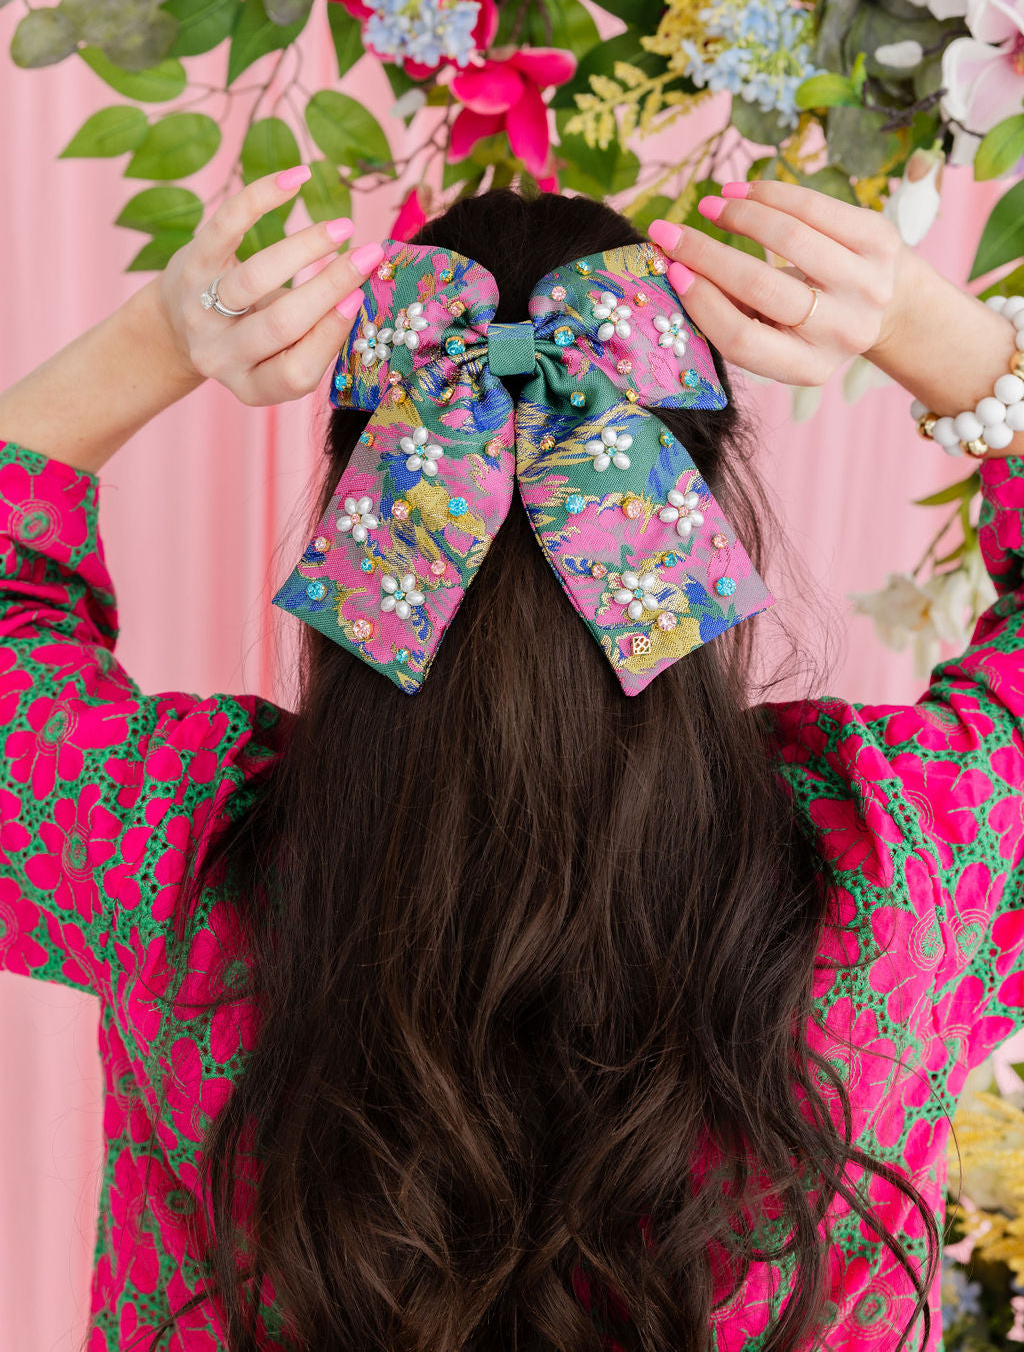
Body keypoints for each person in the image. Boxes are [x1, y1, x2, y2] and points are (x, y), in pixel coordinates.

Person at [0, 170, 1021, 1352]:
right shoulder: (907, 864)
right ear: (704, 494)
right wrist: (926, 328)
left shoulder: (160, 848)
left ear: (358, 500)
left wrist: (161, 336)